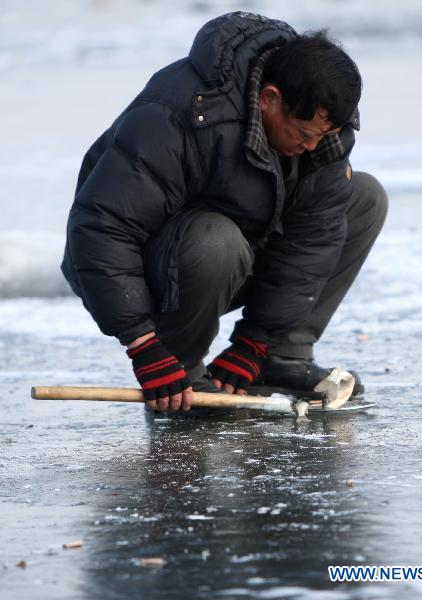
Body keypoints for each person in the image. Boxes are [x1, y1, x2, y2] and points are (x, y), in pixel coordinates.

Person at [61, 11, 388, 414]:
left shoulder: (323, 138)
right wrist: (143, 345)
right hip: (150, 268)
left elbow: (311, 242)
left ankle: (279, 356)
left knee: (364, 198)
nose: (310, 146)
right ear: (269, 99)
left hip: (238, 252)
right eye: (303, 134)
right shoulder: (178, 115)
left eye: (322, 136)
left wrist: (255, 342)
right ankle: (181, 373)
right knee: (216, 238)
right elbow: (101, 229)